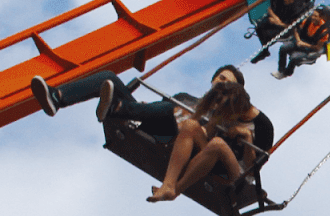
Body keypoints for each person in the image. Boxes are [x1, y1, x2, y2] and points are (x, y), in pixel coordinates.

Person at [30, 65, 247, 139]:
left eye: (229, 84)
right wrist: (144, 107)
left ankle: (117, 108)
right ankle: (57, 97)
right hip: (149, 122)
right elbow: (157, 110)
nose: (223, 84)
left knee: (172, 108)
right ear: (213, 80)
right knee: (109, 77)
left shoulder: (224, 120)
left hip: (173, 140)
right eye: (221, 78)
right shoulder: (185, 97)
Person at [147, 82, 273, 203]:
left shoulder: (263, 126)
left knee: (217, 143)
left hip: (238, 174)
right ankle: (168, 184)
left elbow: (252, 171)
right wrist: (213, 123)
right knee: (191, 124)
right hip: (213, 157)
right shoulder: (223, 110)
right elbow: (207, 134)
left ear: (238, 109)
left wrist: (247, 137)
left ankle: (176, 190)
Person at [273, 4, 330, 79]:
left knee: (294, 57)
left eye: (316, 16)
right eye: (313, 15)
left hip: (310, 47)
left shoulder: (324, 32)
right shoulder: (308, 20)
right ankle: (281, 70)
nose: (313, 18)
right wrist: (298, 40)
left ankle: (287, 73)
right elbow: (296, 29)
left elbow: (317, 48)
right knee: (283, 48)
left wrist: (304, 44)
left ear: (321, 17)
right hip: (301, 40)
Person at [251, 0, 315, 64]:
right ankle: (265, 51)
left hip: (288, 28)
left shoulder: (298, 9)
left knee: (269, 34)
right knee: (259, 27)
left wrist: (279, 23)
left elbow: (294, 26)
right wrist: (275, 17)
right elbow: (269, 8)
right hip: (278, 18)